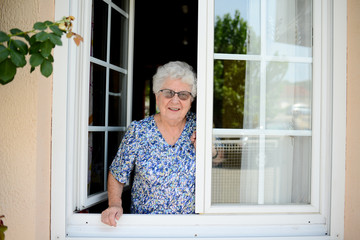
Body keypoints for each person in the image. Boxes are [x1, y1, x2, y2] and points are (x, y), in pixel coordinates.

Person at [101, 61, 197, 227]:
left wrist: (211, 152)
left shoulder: (199, 126)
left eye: (183, 95)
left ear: (191, 100)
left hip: (190, 227)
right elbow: (117, 173)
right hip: (145, 227)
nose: (175, 100)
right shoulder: (139, 131)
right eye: (168, 93)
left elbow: (220, 162)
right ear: (156, 96)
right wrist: (114, 204)